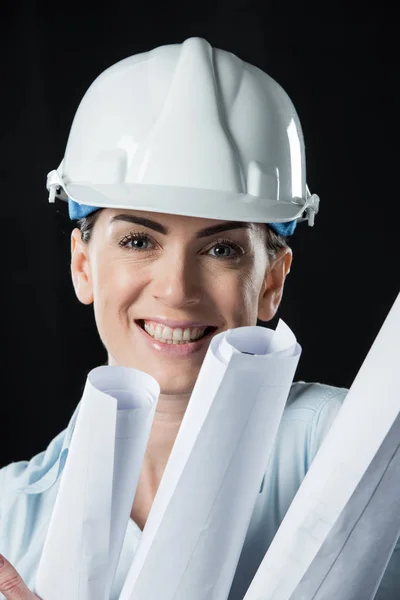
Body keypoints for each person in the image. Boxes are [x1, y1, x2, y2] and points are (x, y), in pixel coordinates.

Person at [0, 37, 398, 600]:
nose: (176, 289)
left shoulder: (361, 454)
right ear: (83, 266)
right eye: (139, 240)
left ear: (272, 281)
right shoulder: (10, 520)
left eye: (221, 250)